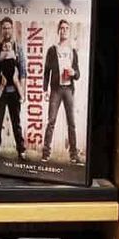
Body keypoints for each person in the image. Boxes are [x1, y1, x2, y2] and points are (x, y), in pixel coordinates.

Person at [41, 18, 80, 162]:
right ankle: (45, 153)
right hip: (56, 90)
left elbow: (78, 74)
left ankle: (73, 155)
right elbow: (46, 72)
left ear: (69, 32)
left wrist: (73, 73)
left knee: (72, 123)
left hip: (68, 89)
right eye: (62, 28)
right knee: (51, 121)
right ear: (58, 31)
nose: (64, 30)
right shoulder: (52, 50)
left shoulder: (72, 51)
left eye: (66, 28)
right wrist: (44, 90)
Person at [0, 16, 27, 155]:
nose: (6, 30)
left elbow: (22, 71)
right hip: (1, 90)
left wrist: (22, 90)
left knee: (16, 121)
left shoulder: (18, 48)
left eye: (9, 27)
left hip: (14, 90)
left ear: (12, 29)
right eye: (4, 28)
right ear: (1, 30)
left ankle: (21, 150)